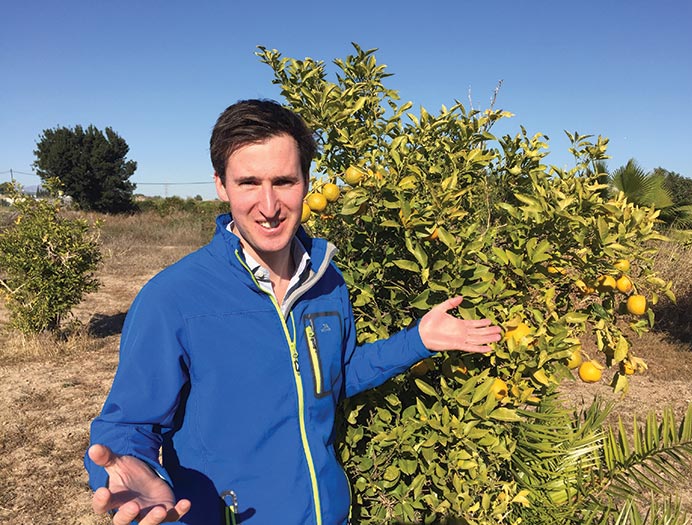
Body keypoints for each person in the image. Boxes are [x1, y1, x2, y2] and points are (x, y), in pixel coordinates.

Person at [85, 99, 502, 525]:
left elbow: (335, 375)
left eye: (284, 181)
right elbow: (129, 423)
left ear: (306, 182)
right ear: (221, 186)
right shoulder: (174, 298)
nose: (268, 206)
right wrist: (129, 469)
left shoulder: (326, 281)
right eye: (248, 183)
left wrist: (417, 341)